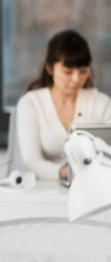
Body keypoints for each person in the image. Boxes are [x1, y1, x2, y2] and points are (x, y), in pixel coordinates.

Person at [16, 29, 111, 181]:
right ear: (49, 68)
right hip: (48, 190)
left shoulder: (102, 104)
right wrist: (66, 172)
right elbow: (32, 162)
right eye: (68, 72)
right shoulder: (30, 104)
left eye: (83, 71)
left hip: (96, 185)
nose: (76, 79)